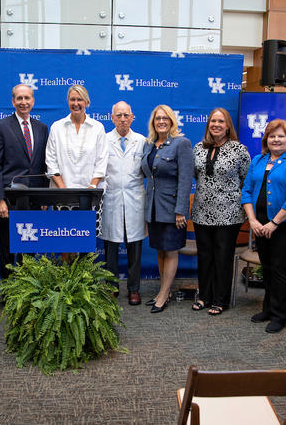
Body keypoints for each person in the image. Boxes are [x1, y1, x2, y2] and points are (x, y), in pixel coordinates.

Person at [241, 119, 286, 333]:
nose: (276, 139)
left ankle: (280, 315)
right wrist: (252, 220)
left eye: (281, 136)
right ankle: (268, 309)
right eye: (272, 136)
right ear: (266, 139)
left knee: (279, 268)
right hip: (259, 223)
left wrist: (274, 223)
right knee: (267, 267)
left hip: (284, 225)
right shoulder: (258, 159)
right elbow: (247, 191)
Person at [190, 108, 250, 316]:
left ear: (227, 126)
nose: (216, 124)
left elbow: (246, 180)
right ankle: (204, 296)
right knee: (204, 256)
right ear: (208, 124)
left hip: (229, 214)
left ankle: (220, 300)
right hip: (201, 212)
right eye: (213, 121)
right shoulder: (198, 148)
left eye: (221, 121)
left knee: (223, 256)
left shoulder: (239, 150)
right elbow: (195, 176)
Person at [0, 84, 49, 279]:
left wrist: (44, 198)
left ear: (33, 101)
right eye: (19, 98)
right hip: (10, 200)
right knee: (8, 249)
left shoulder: (42, 128)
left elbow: (43, 167)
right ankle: (8, 293)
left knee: (30, 248)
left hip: (34, 200)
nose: (23, 102)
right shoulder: (1, 127)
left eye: (27, 98)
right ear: (13, 101)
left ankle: (27, 291)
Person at [141, 105, 193, 313]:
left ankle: (163, 294)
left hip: (173, 209)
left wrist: (181, 209)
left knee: (171, 251)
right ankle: (165, 290)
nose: (161, 121)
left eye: (165, 118)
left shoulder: (182, 144)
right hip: (153, 207)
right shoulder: (150, 145)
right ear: (153, 122)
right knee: (160, 251)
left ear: (172, 121)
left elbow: (186, 179)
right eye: (157, 118)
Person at [99, 101, 147, 306]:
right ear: (112, 118)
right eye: (118, 115)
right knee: (110, 246)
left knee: (135, 246)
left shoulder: (142, 141)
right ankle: (111, 286)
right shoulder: (103, 140)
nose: (122, 119)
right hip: (111, 198)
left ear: (132, 117)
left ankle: (134, 289)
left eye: (126, 115)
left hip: (135, 198)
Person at [46, 84, 108, 190]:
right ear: (68, 101)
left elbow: (101, 162)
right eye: (72, 100)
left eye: (80, 99)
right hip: (62, 194)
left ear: (87, 102)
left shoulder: (98, 128)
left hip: (90, 194)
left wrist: (92, 187)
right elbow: (51, 162)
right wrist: (63, 189)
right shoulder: (57, 127)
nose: (76, 103)